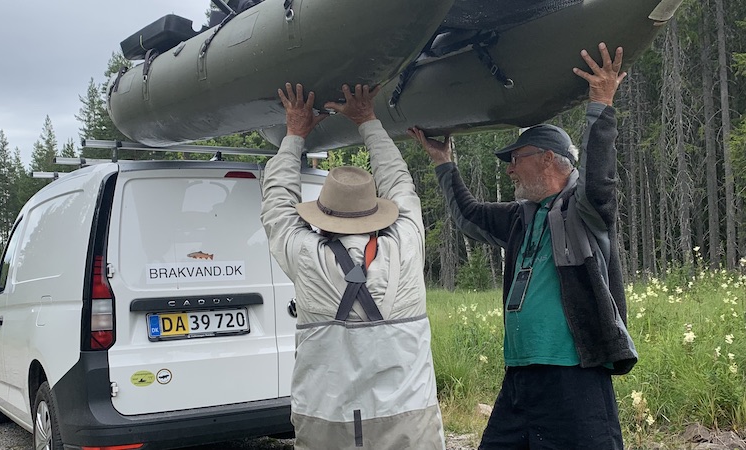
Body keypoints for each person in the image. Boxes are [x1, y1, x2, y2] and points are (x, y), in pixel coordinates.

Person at [407, 42, 638, 450]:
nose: (510, 169)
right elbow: (468, 216)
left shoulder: (584, 210)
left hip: (574, 375)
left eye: (516, 158)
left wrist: (601, 104)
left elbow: (600, 179)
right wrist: (444, 163)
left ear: (548, 159)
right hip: (520, 377)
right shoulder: (520, 217)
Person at [261, 82, 446, 450]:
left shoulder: (306, 256)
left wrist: (294, 134)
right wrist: (368, 120)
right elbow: (400, 184)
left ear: (323, 216)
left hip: (327, 425)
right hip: (411, 426)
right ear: (376, 213)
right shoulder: (407, 244)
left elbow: (277, 203)